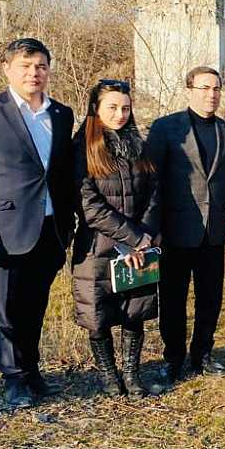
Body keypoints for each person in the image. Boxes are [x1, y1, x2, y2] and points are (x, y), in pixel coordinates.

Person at [0, 38, 76, 408]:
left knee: (35, 305)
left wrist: (69, 224)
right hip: (3, 231)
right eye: (25, 66)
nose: (33, 73)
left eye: (40, 66)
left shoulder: (62, 114)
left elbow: (61, 174)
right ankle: (13, 378)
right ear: (7, 68)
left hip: (50, 228)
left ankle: (32, 370)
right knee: (6, 309)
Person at [146, 66, 225, 388]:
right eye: (204, 88)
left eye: (216, 88)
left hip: (213, 232)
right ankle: (173, 358)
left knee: (210, 299)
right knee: (172, 300)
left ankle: (203, 353)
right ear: (189, 91)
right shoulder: (166, 128)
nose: (211, 95)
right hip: (174, 231)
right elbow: (152, 181)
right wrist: (152, 227)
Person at [72, 79, 161, 398]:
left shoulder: (140, 145)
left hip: (140, 245)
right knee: (98, 316)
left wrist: (144, 237)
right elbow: (89, 206)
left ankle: (132, 373)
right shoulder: (82, 147)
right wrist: (132, 238)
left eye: (125, 108)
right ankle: (109, 376)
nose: (120, 114)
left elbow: (155, 194)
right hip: (98, 247)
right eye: (112, 107)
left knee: (134, 312)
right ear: (95, 109)